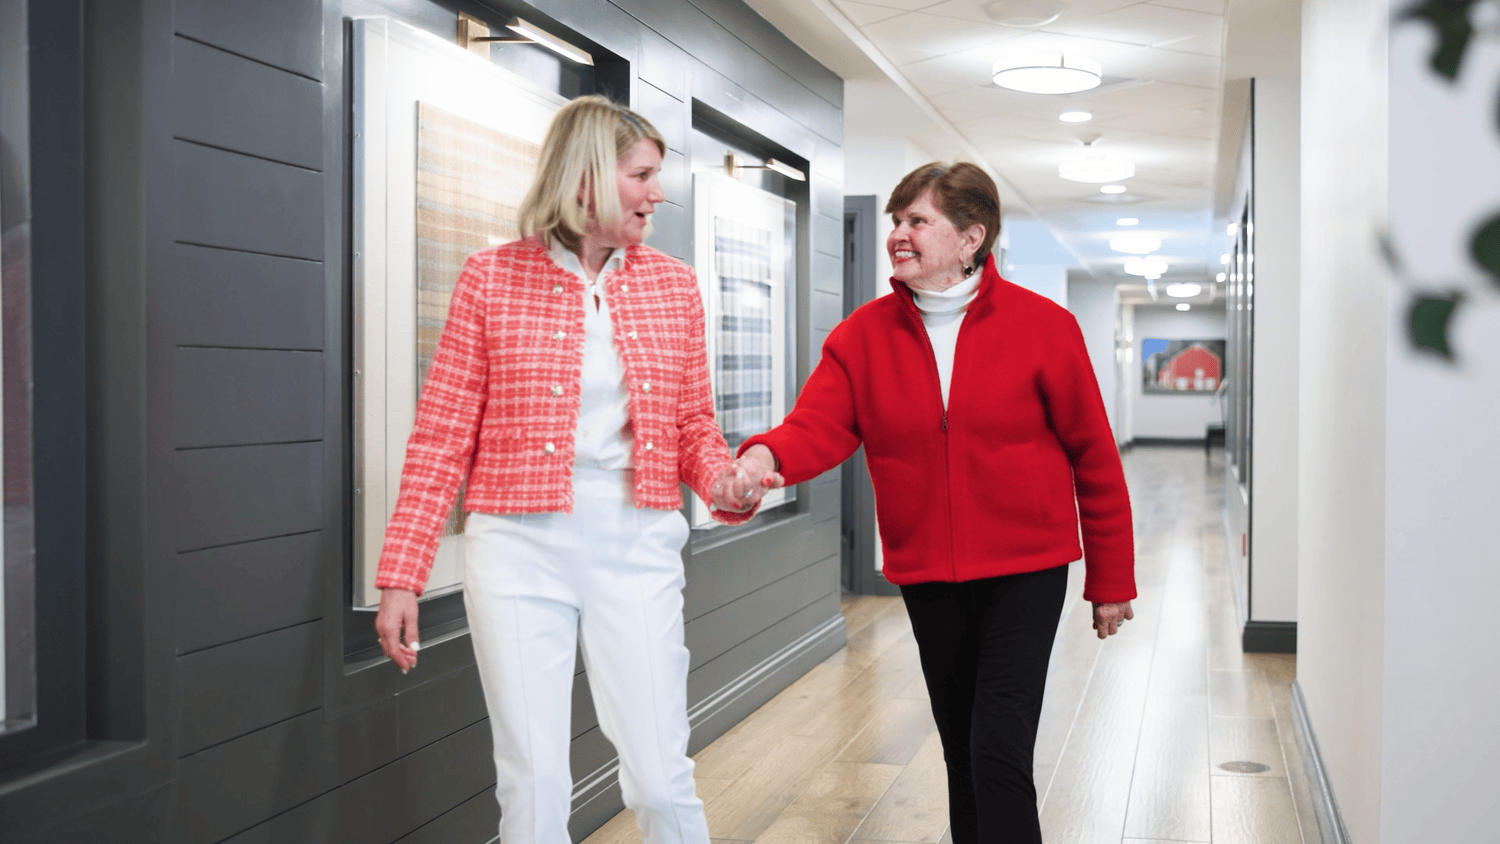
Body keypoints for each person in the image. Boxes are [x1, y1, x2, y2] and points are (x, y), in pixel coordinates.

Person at [372, 95, 765, 844]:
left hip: (637, 538)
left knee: (657, 769)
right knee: (534, 774)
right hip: (517, 544)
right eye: (642, 175)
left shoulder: (673, 284)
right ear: (585, 177)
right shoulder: (490, 279)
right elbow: (442, 435)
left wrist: (725, 482)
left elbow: (692, 426)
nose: (658, 192)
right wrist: (402, 574)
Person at [731, 161, 1136, 844]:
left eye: (917, 221)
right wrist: (765, 457)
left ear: (971, 236)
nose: (899, 234)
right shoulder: (863, 335)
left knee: (998, 752)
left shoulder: (1045, 328)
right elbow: (818, 425)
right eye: (896, 221)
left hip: (1026, 572)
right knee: (960, 749)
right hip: (929, 574)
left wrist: (1111, 579)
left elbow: (1094, 456)